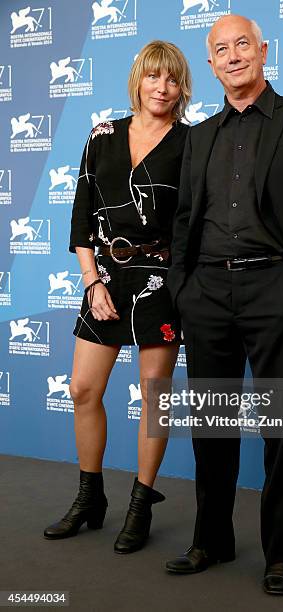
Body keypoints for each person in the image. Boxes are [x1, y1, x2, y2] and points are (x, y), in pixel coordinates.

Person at [165, 15, 283, 595]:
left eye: (243, 44)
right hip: (207, 295)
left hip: (275, 292)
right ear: (210, 64)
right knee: (211, 426)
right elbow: (185, 219)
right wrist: (184, 289)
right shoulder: (198, 136)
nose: (234, 55)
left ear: (263, 51)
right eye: (221, 49)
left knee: (279, 429)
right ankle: (211, 539)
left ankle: (278, 555)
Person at [43, 41, 192, 554]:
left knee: (155, 396)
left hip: (161, 279)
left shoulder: (190, 143)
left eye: (172, 80)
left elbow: (192, 223)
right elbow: (81, 212)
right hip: (104, 276)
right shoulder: (102, 135)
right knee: (83, 389)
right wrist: (92, 281)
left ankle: (141, 503)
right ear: (139, 81)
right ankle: (90, 497)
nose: (162, 87)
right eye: (154, 77)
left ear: (181, 88)